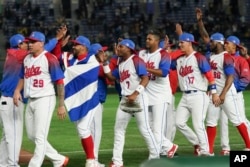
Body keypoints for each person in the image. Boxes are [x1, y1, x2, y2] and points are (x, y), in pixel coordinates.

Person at [13, 31, 69, 167]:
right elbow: (22, 76)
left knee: (39, 136)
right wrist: (17, 90)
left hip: (45, 99)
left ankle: (34, 165)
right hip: (31, 100)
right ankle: (59, 160)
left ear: (41, 43)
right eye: (29, 42)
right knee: (32, 135)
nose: (29, 44)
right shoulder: (27, 59)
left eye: (33, 42)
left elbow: (60, 82)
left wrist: (61, 105)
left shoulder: (49, 58)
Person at [103, 39, 159, 167]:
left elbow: (145, 78)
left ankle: (155, 157)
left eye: (121, 46)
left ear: (128, 48)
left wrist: (136, 93)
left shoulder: (136, 60)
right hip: (125, 99)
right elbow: (111, 77)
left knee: (144, 129)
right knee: (118, 129)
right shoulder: (122, 63)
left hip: (138, 98)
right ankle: (117, 162)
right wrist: (105, 62)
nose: (118, 48)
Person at [52, 35, 103, 167]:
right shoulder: (69, 59)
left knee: (83, 129)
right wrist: (58, 43)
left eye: (76, 44)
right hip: (75, 100)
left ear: (84, 47)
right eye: (73, 44)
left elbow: (89, 74)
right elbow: (56, 56)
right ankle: (93, 161)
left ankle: (91, 161)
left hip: (91, 99)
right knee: (82, 132)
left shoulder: (92, 61)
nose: (73, 46)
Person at [172, 32, 221, 156]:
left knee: (198, 124)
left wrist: (214, 93)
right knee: (178, 122)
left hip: (198, 94)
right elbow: (167, 65)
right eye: (180, 42)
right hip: (185, 96)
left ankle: (206, 152)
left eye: (182, 42)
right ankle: (197, 143)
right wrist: (166, 51)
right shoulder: (179, 59)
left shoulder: (199, 57)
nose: (180, 44)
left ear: (189, 43)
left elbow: (210, 76)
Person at [138, 29, 178, 158]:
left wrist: (146, 68)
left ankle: (157, 153)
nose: (146, 41)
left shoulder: (164, 54)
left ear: (156, 41)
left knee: (156, 130)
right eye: (147, 38)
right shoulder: (142, 53)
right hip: (147, 96)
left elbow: (164, 72)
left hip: (160, 96)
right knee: (147, 128)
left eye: (150, 39)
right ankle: (168, 146)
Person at [0, 34, 28, 167]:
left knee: (7, 136)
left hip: (7, 100)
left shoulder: (13, 54)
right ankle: (12, 164)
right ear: (19, 44)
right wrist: (55, 41)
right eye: (24, 43)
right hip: (12, 100)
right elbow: (40, 53)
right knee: (14, 135)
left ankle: (2, 163)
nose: (27, 45)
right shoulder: (17, 54)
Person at [89, 43, 109, 167]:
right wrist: (104, 63)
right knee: (96, 132)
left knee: (89, 132)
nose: (104, 53)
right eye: (102, 52)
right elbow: (109, 76)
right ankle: (93, 160)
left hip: (89, 102)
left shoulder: (89, 65)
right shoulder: (96, 66)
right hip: (95, 102)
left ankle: (91, 159)